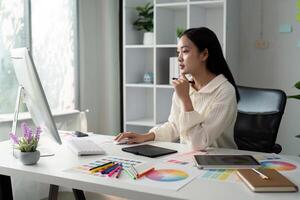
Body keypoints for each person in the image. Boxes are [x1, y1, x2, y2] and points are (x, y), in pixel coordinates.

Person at [115, 27, 240, 150]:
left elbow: (200, 142)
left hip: (220, 162)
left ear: (204, 54)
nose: (179, 58)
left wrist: (186, 99)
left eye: (185, 51)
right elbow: (175, 126)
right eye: (178, 52)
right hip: (188, 158)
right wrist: (146, 136)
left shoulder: (225, 91)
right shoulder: (185, 86)